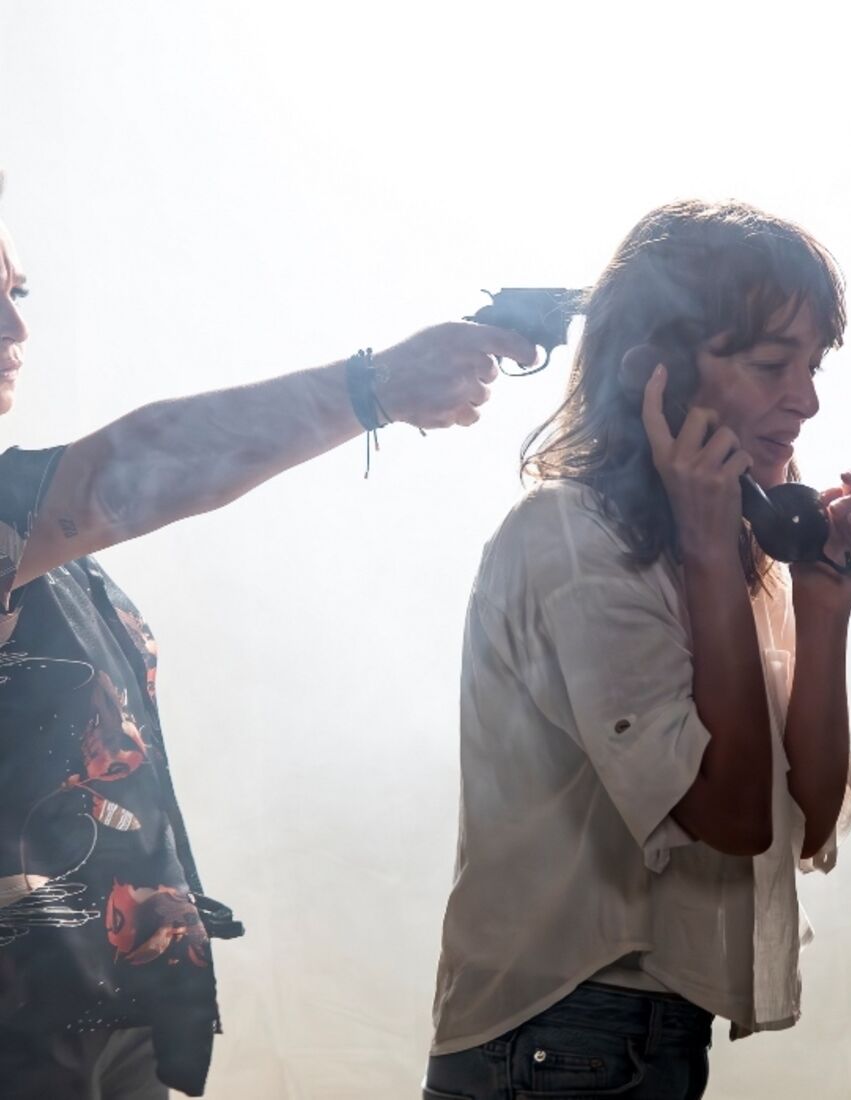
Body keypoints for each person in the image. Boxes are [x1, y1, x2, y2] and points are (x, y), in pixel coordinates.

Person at [0, 173, 537, 1100]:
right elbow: (124, 480)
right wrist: (369, 387)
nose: (17, 328)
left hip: (96, 1008)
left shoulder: (35, 527)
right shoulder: (31, 512)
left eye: (18, 293)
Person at [423, 199, 851, 1099]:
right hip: (560, 1033)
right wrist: (711, 551)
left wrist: (824, 608)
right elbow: (734, 819)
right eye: (772, 363)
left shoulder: (735, 551)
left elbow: (807, 817)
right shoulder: (571, 540)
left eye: (812, 364)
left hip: (642, 1035)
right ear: (659, 378)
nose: (806, 399)